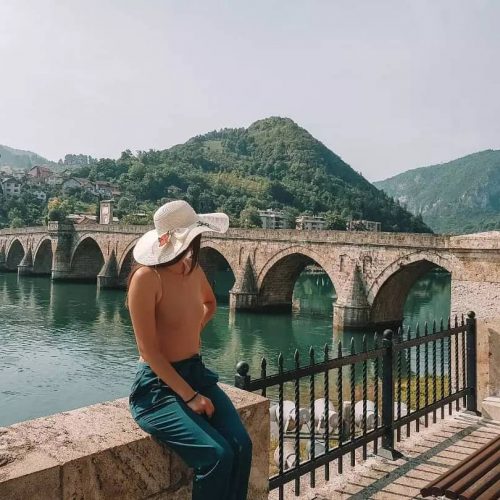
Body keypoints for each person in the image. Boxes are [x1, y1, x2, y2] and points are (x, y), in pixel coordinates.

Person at [126, 200, 253, 500]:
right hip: (157, 388)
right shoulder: (146, 278)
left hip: (196, 373)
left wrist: (191, 332)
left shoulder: (192, 270)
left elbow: (210, 303)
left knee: (242, 446)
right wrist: (190, 396)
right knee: (216, 455)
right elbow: (149, 351)